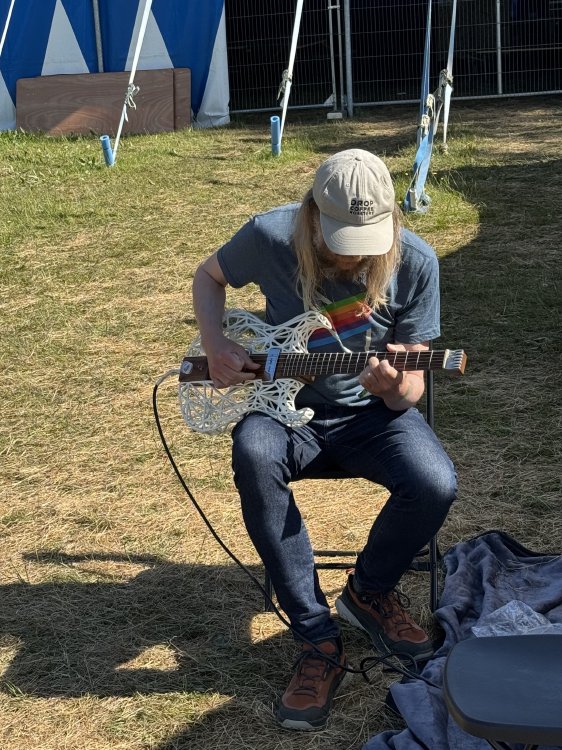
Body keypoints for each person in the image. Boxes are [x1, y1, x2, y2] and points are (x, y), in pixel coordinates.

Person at [192, 148, 457, 731]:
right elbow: (208, 277)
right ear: (313, 214)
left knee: (435, 482)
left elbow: (410, 387)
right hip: (285, 411)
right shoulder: (268, 233)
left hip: (371, 417)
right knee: (254, 452)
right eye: (341, 236)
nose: (353, 252)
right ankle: (317, 637)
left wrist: (392, 388)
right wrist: (214, 343)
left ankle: (369, 592)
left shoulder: (416, 262)